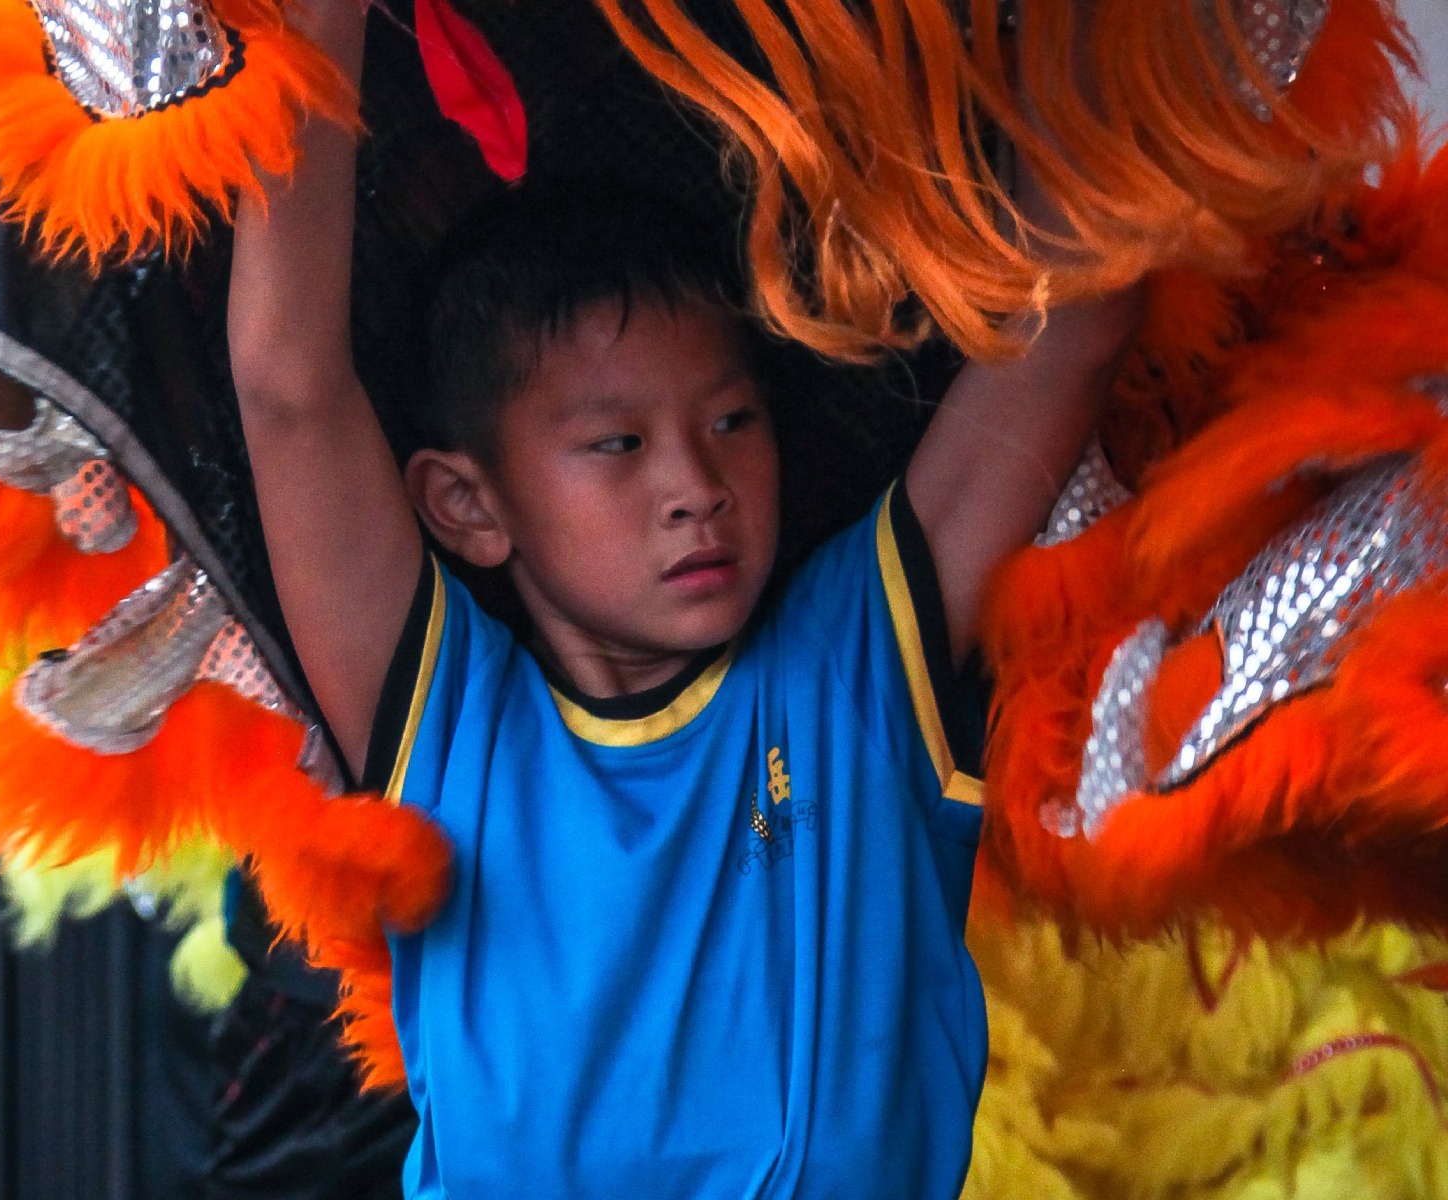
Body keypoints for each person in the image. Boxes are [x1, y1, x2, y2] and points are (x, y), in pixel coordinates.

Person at [227, 1, 1136, 1195]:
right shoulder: (448, 728)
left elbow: (1070, 326)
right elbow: (288, 384)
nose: (694, 488)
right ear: (466, 504)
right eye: (616, 444)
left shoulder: (849, 668)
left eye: (729, 422)